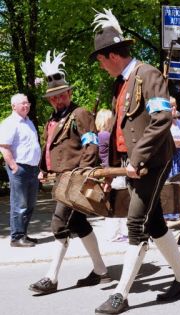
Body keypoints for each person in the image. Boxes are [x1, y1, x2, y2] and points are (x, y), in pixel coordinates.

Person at [90, 9, 180, 315]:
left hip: (151, 160)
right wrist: (111, 169)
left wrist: (137, 159)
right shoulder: (121, 82)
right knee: (155, 222)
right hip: (131, 162)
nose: (99, 64)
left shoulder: (148, 74)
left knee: (136, 223)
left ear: (112, 55)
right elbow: (118, 126)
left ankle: (120, 295)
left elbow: (161, 119)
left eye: (100, 58)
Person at [29, 50, 110, 294]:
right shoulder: (53, 120)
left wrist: (83, 173)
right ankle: (101, 272)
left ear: (69, 93)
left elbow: (91, 144)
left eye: (61, 95)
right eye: (53, 98)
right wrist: (43, 169)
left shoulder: (80, 113)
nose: (57, 100)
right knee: (79, 223)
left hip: (74, 179)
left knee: (58, 224)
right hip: (61, 179)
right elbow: (49, 148)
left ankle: (51, 277)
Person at [0, 93, 41, 247]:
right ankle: (16, 237)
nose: (26, 105)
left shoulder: (28, 122)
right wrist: (14, 167)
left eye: (27, 103)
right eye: (23, 103)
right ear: (13, 106)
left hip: (32, 169)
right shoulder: (10, 123)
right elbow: (4, 146)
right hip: (20, 168)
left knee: (30, 204)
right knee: (20, 204)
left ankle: (23, 234)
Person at [96, 109, 128, 242]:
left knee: (113, 202)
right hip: (113, 172)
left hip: (107, 170)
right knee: (118, 202)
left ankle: (116, 233)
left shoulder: (100, 135)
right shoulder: (106, 136)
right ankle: (115, 234)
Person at [165, 96, 180, 222]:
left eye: (174, 105)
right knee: (171, 182)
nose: (174, 108)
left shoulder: (179, 122)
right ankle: (169, 213)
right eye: (171, 106)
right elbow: (169, 143)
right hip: (170, 156)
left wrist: (179, 142)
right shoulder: (164, 124)